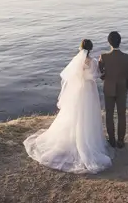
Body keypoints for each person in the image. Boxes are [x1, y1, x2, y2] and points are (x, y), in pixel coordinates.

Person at [23, 39, 114, 174]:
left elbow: (68, 77)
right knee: (88, 115)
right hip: (89, 91)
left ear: (81, 48)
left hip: (79, 91)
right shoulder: (94, 62)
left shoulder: (77, 61)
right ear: (91, 49)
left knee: (75, 114)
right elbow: (97, 75)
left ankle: (72, 139)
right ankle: (88, 140)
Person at [98, 30, 128, 148]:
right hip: (122, 89)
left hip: (108, 88)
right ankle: (121, 141)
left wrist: (104, 77)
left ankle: (112, 140)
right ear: (120, 42)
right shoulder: (127, 57)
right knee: (121, 115)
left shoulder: (104, 56)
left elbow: (100, 73)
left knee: (109, 114)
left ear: (109, 42)